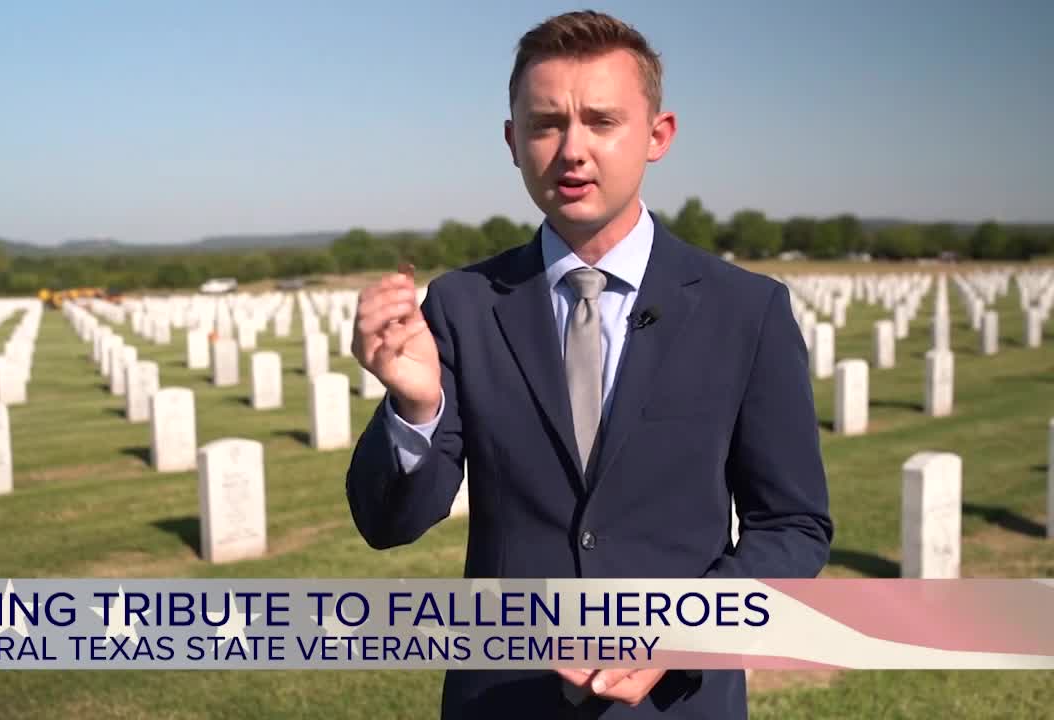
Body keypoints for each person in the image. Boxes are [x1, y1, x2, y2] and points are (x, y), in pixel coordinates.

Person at [345, 10, 832, 719]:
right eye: (545, 125)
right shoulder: (462, 305)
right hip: (504, 700)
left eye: (601, 121)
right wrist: (418, 409)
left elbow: (793, 526)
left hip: (677, 704)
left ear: (657, 136)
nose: (572, 150)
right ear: (513, 142)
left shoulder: (745, 312)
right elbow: (388, 523)